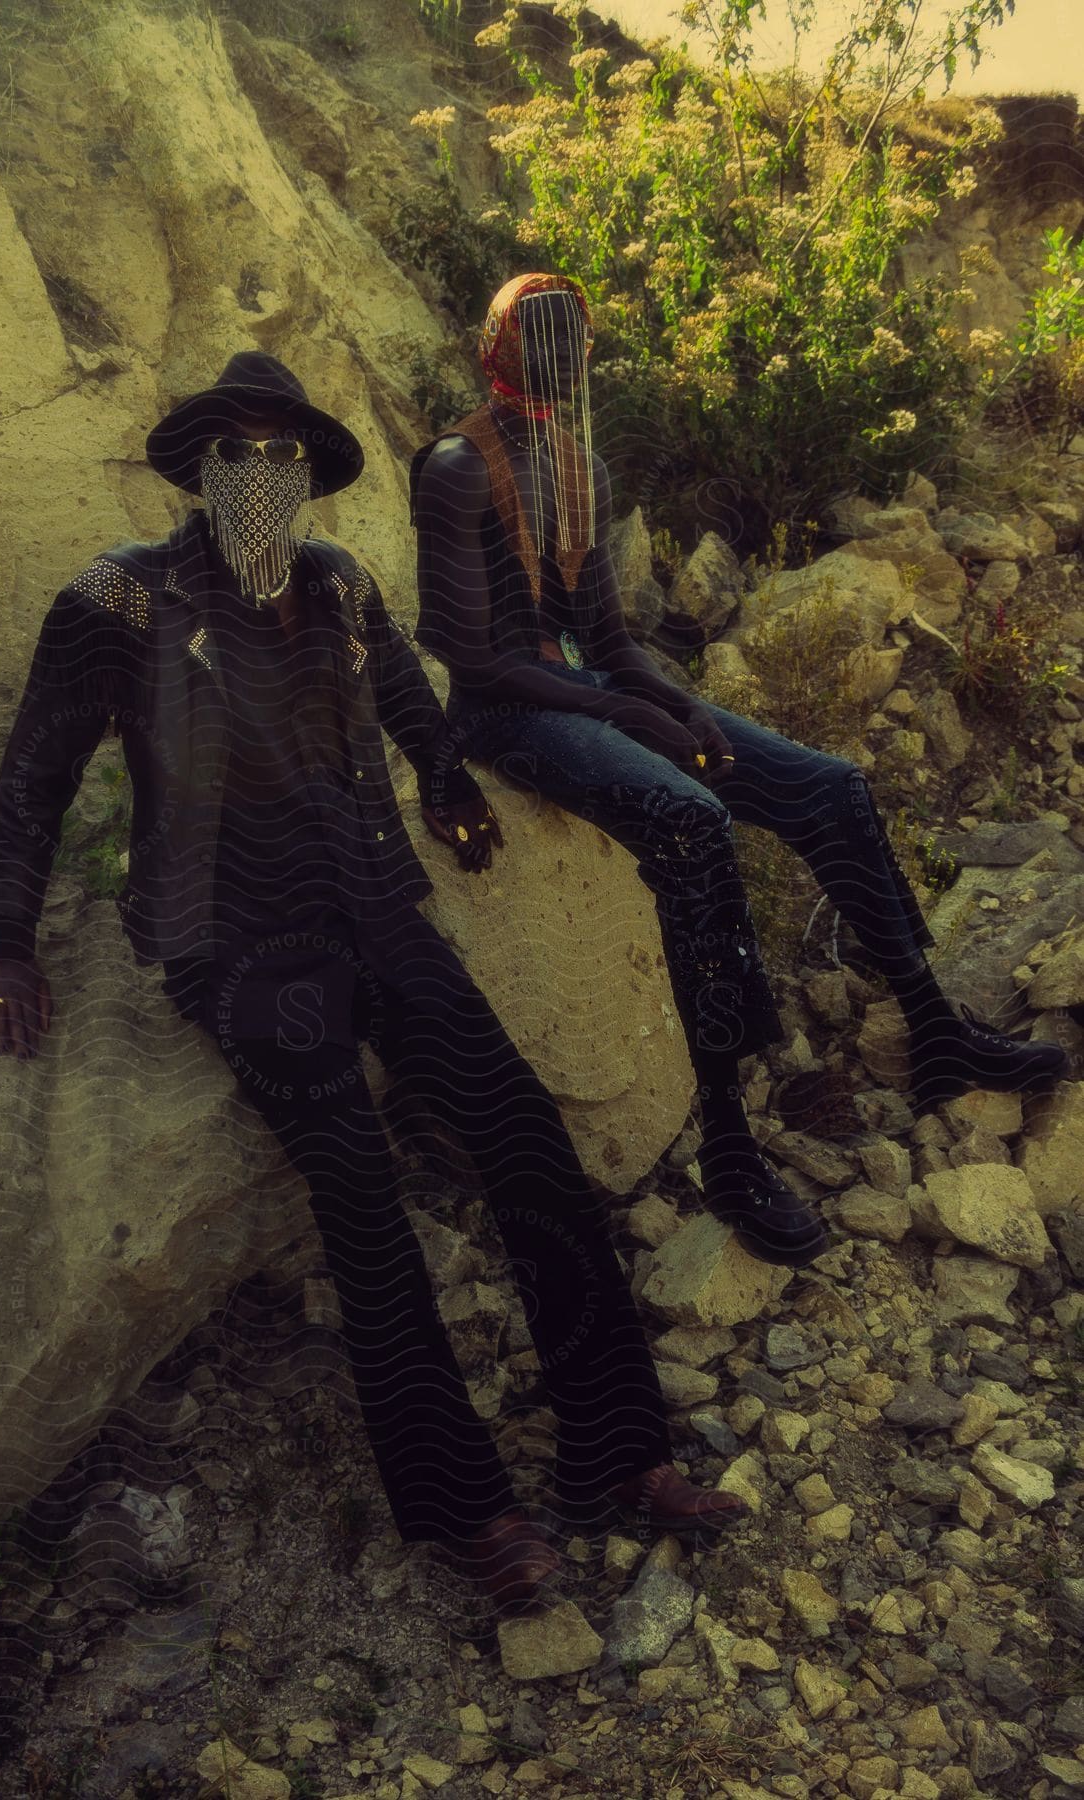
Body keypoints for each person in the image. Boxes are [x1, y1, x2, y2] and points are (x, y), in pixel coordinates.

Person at [0, 351, 748, 1616]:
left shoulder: (335, 584)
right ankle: (470, 1516)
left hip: (379, 909)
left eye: (286, 456)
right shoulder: (115, 602)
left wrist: (443, 779)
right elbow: (33, 780)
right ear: (199, 468)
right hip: (238, 945)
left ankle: (623, 1455)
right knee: (364, 1203)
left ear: (311, 478)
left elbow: (403, 698)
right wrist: (4, 940)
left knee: (530, 1144)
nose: (263, 475)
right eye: (241, 452)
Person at [410, 272, 1069, 1268]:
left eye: (568, 336)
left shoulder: (580, 461)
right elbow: (470, 656)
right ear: (494, 350)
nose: (554, 354)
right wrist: (625, 709)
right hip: (507, 716)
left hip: (584, 690)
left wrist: (671, 704)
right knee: (690, 820)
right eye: (532, 335)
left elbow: (606, 639)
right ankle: (727, 1143)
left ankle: (934, 1030)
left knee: (828, 787)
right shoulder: (457, 463)